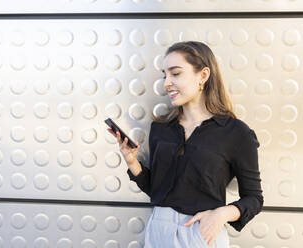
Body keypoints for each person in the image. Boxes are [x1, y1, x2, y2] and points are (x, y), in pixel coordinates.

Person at [107, 41, 264, 248]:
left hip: (200, 232)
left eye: (176, 73)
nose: (166, 83)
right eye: (165, 75)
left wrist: (221, 214)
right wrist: (132, 162)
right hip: (158, 231)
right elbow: (157, 191)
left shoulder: (236, 133)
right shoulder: (161, 129)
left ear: (203, 75)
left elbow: (254, 198)